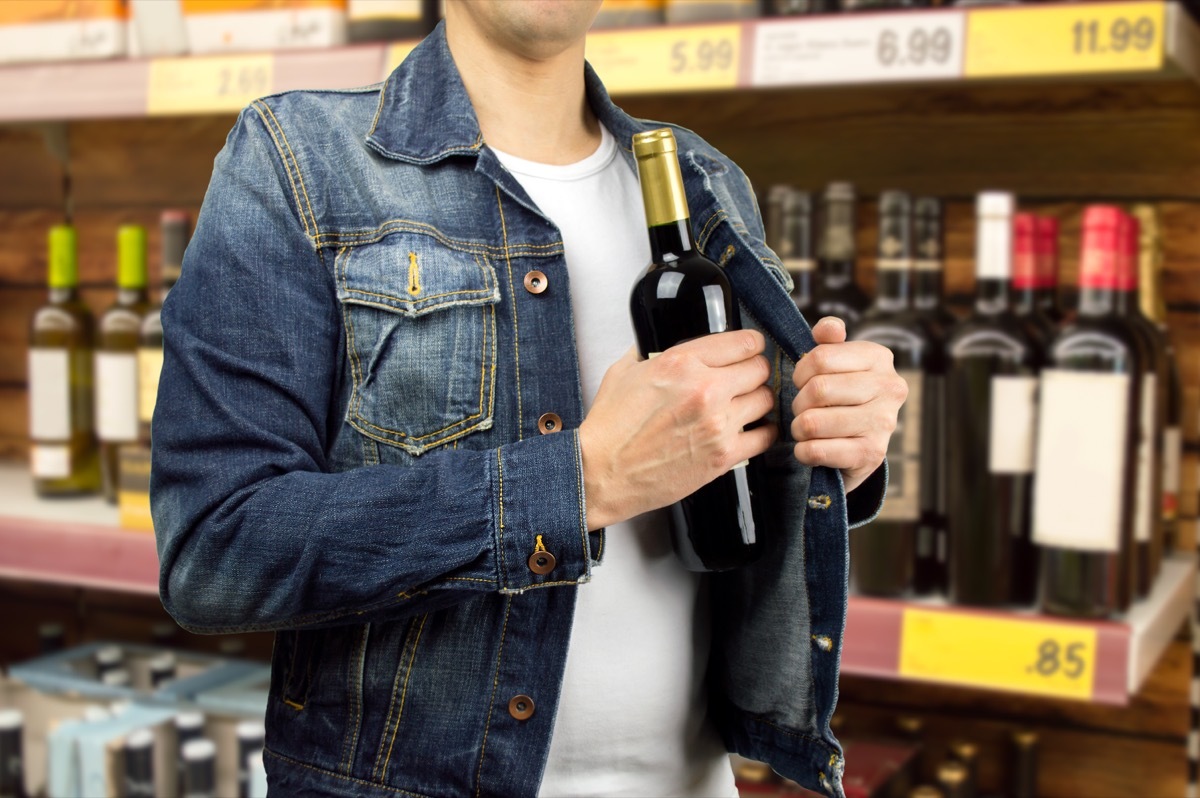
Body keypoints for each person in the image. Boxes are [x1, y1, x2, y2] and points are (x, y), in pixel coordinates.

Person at [151, 1, 906, 796]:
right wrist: (582, 480)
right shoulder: (297, 159)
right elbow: (215, 549)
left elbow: (730, 494)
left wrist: (831, 448)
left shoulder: (702, 178)